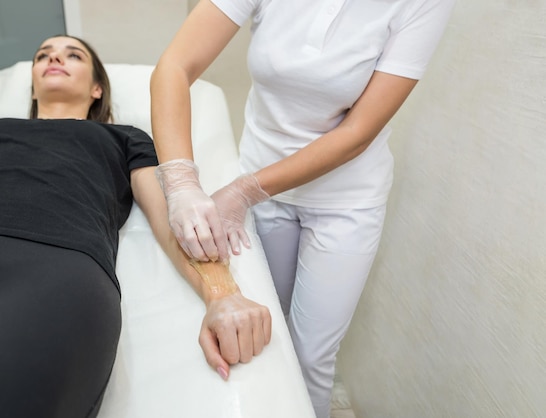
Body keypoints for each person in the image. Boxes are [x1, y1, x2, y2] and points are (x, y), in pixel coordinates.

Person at [0, 35, 271, 418]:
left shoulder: (125, 138)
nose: (54, 58)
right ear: (34, 84)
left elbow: (175, 216)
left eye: (73, 55)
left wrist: (222, 294)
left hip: (51, 270)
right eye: (43, 55)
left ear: (96, 87)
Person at [150, 1, 456, 416]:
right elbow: (175, 66)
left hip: (345, 201)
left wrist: (245, 189)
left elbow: (357, 133)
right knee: (264, 341)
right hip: (265, 192)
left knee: (312, 358)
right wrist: (181, 181)